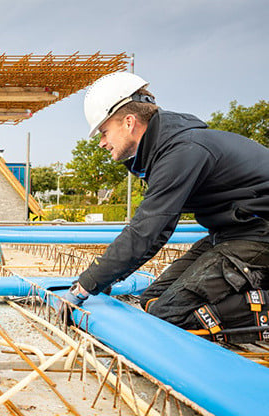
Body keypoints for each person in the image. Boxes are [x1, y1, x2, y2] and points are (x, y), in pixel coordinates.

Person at [63, 71, 269, 338]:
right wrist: (103, 279)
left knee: (170, 315)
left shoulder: (183, 150)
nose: (102, 142)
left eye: (104, 131)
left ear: (129, 122)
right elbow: (157, 232)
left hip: (259, 234)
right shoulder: (166, 150)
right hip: (233, 233)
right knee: (152, 299)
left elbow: (145, 231)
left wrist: (84, 287)